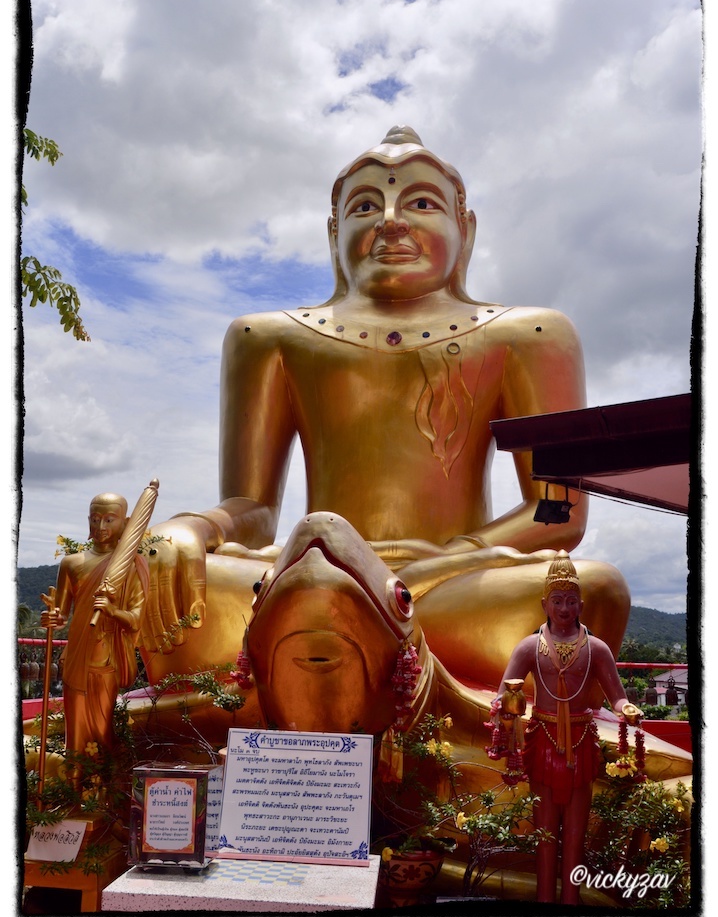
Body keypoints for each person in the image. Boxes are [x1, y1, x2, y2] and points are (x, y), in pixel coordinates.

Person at [140, 126, 628, 688]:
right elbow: (253, 508)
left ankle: (294, 678)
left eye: (421, 203)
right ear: (334, 234)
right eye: (366, 206)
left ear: (465, 230)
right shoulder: (267, 337)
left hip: (450, 582)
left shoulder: (529, 334)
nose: (391, 221)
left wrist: (444, 561)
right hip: (314, 572)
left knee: (596, 588)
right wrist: (190, 529)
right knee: (157, 574)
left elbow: (558, 511)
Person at [495, 552, 642, 905]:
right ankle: (545, 902)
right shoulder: (530, 646)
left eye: (571, 601)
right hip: (543, 741)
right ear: (544, 604)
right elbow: (503, 694)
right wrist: (506, 704)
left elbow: (617, 696)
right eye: (557, 600)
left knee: (575, 835)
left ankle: (571, 904)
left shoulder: (597, 649)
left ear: (581, 605)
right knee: (545, 835)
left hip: (580, 744)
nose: (564, 608)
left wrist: (626, 708)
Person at [41, 493, 148, 759]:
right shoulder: (72, 563)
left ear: (125, 523)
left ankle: (102, 780)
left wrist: (113, 611)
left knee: (101, 729)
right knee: (74, 732)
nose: (101, 527)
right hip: (77, 655)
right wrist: (54, 618)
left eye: (109, 520)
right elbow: (62, 615)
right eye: (95, 519)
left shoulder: (131, 567)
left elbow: (137, 618)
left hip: (106, 658)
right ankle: (74, 780)